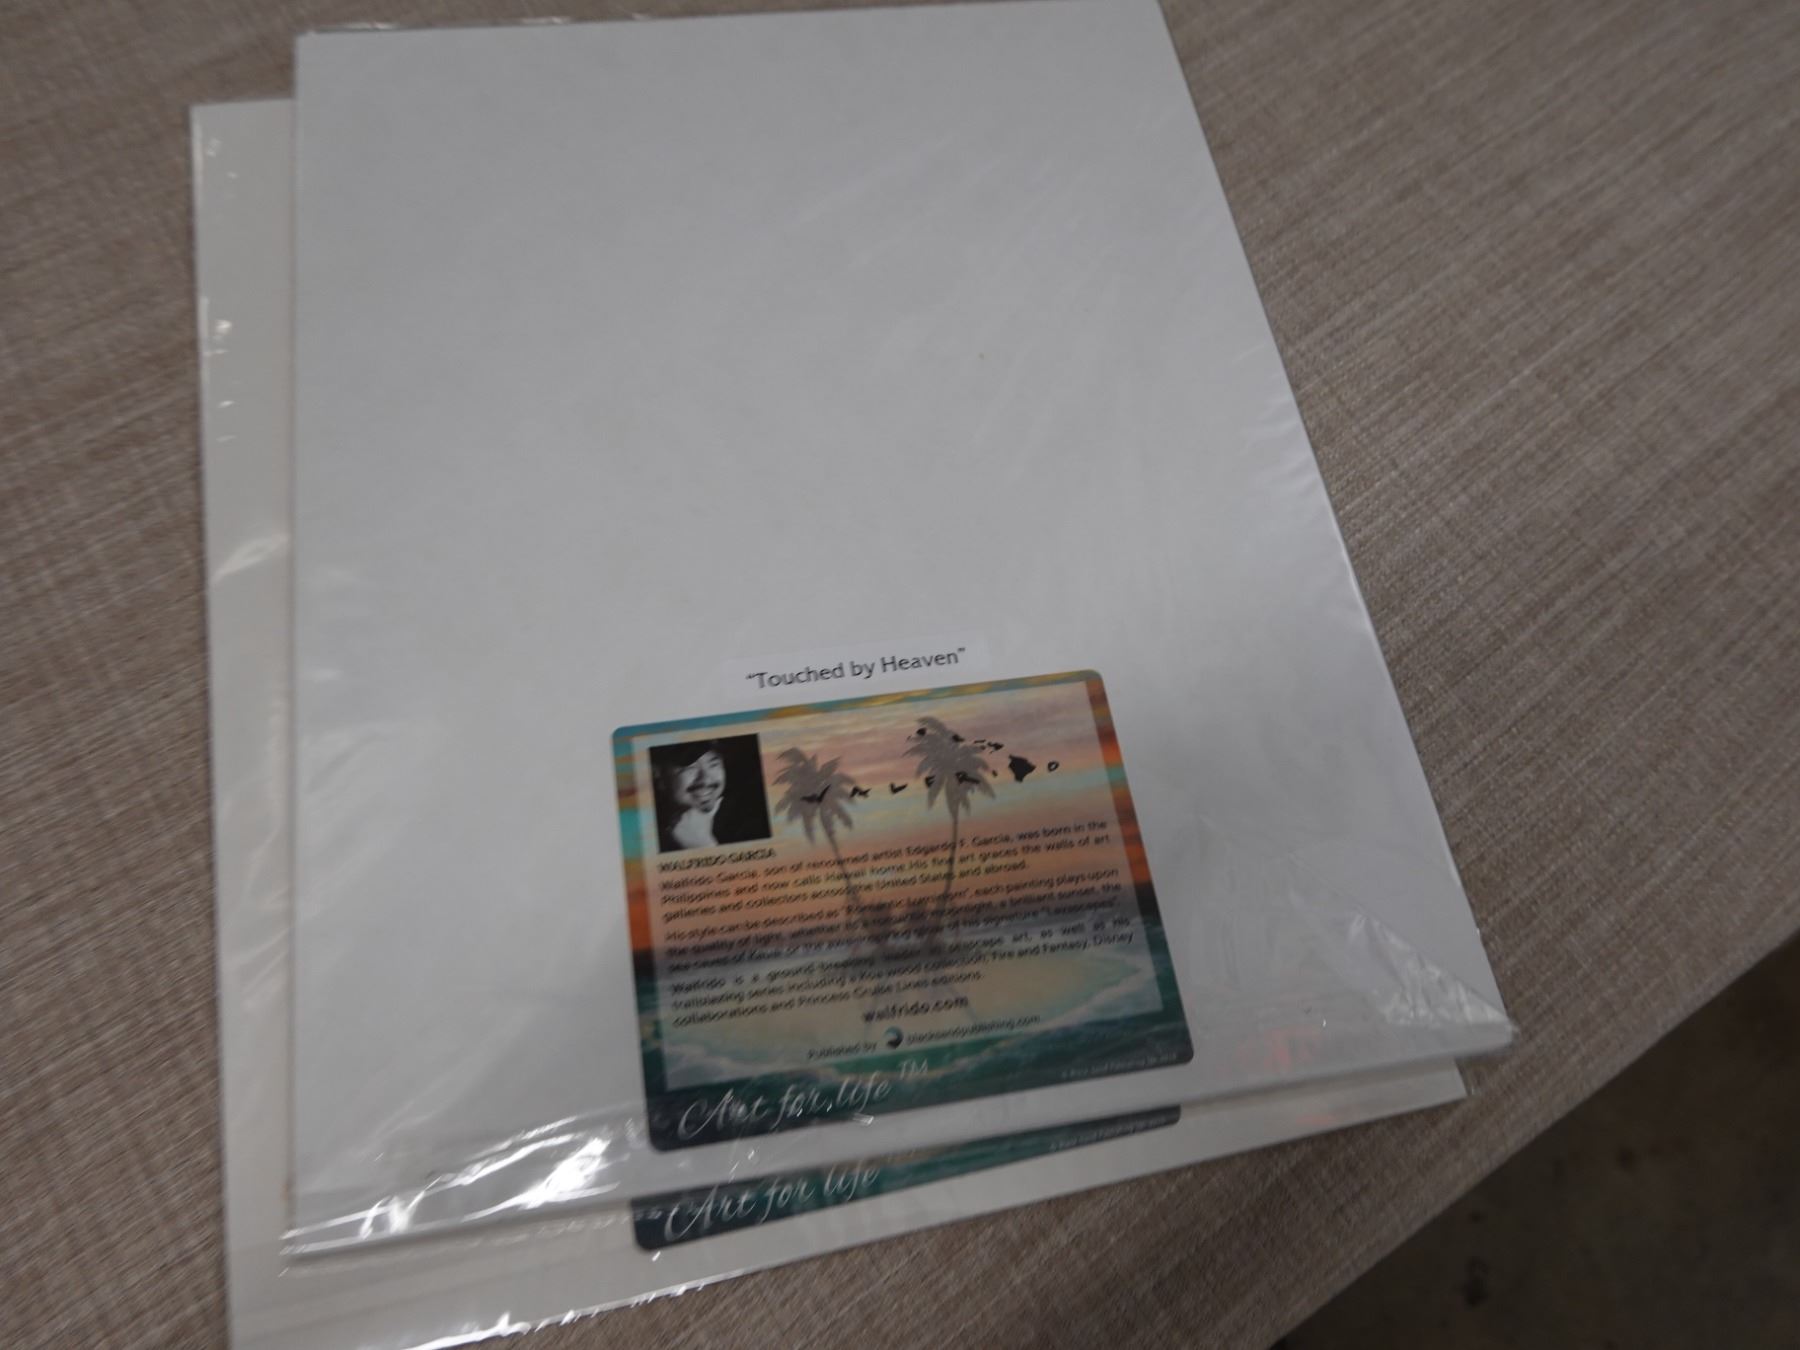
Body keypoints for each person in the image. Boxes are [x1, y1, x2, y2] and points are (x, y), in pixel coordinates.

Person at [651, 738, 768, 852]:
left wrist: (704, 846)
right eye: (690, 768)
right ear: (659, 776)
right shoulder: (650, 833)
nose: (706, 779)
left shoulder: (753, 821)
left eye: (713, 765)